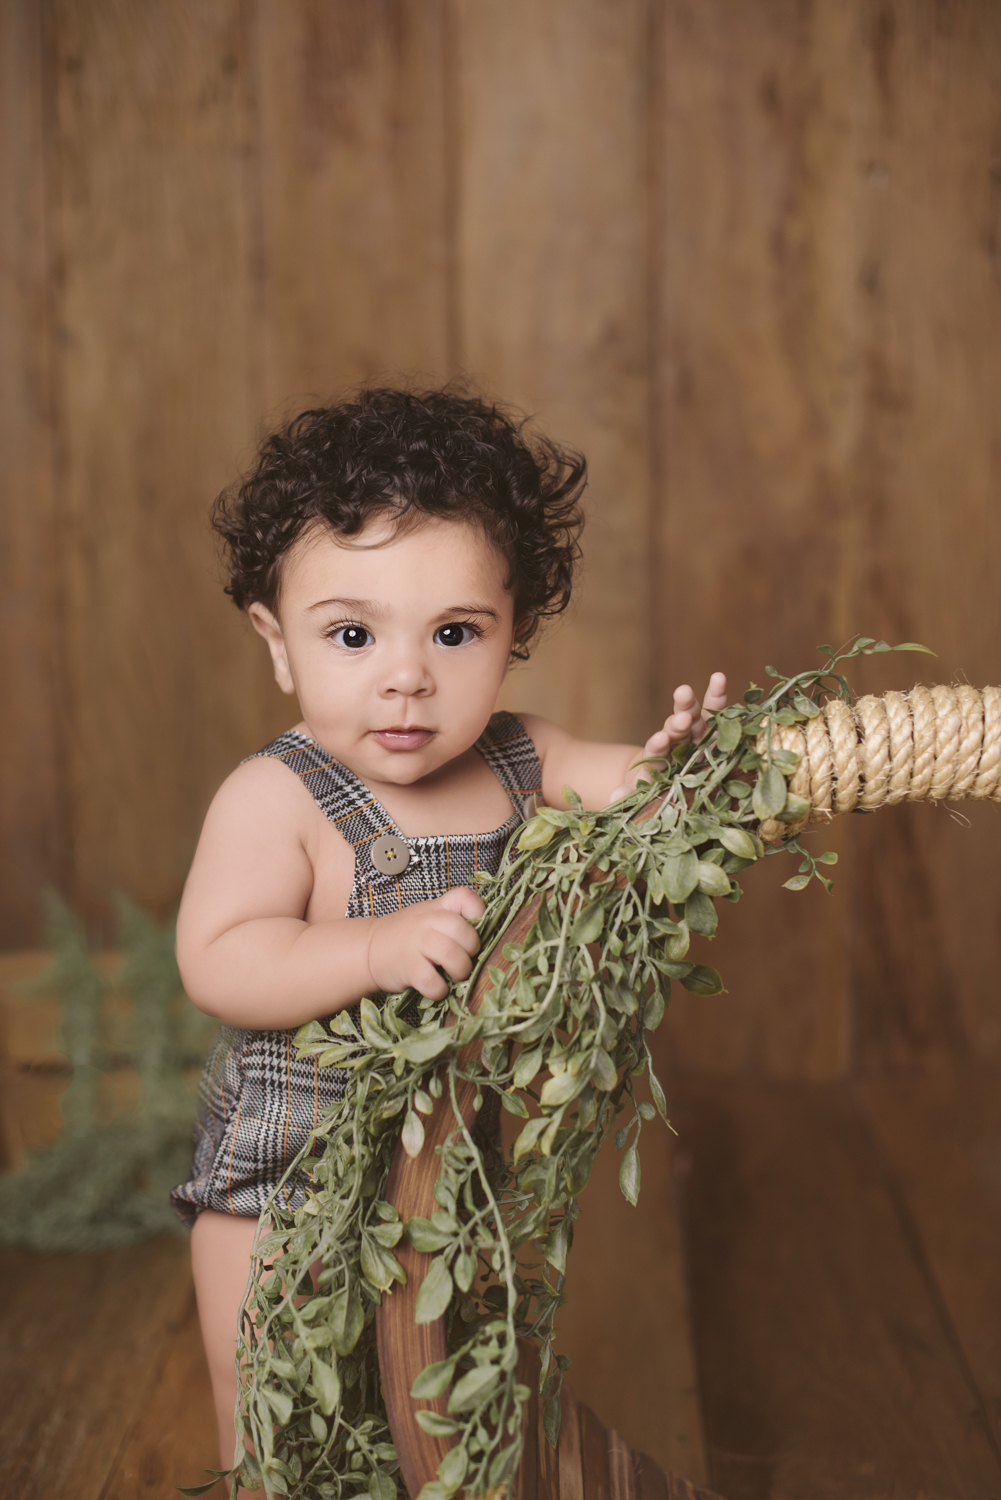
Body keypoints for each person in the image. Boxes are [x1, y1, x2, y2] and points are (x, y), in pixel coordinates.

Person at [172, 386, 727, 1473]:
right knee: (271, 1383)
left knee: (437, 1390)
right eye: (349, 633)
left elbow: (622, 788)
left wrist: (674, 763)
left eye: (455, 632)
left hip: (457, 1179)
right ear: (277, 642)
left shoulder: (524, 755)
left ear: (514, 634)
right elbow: (219, 959)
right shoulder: (276, 798)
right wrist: (373, 950)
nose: (407, 676)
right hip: (288, 1178)